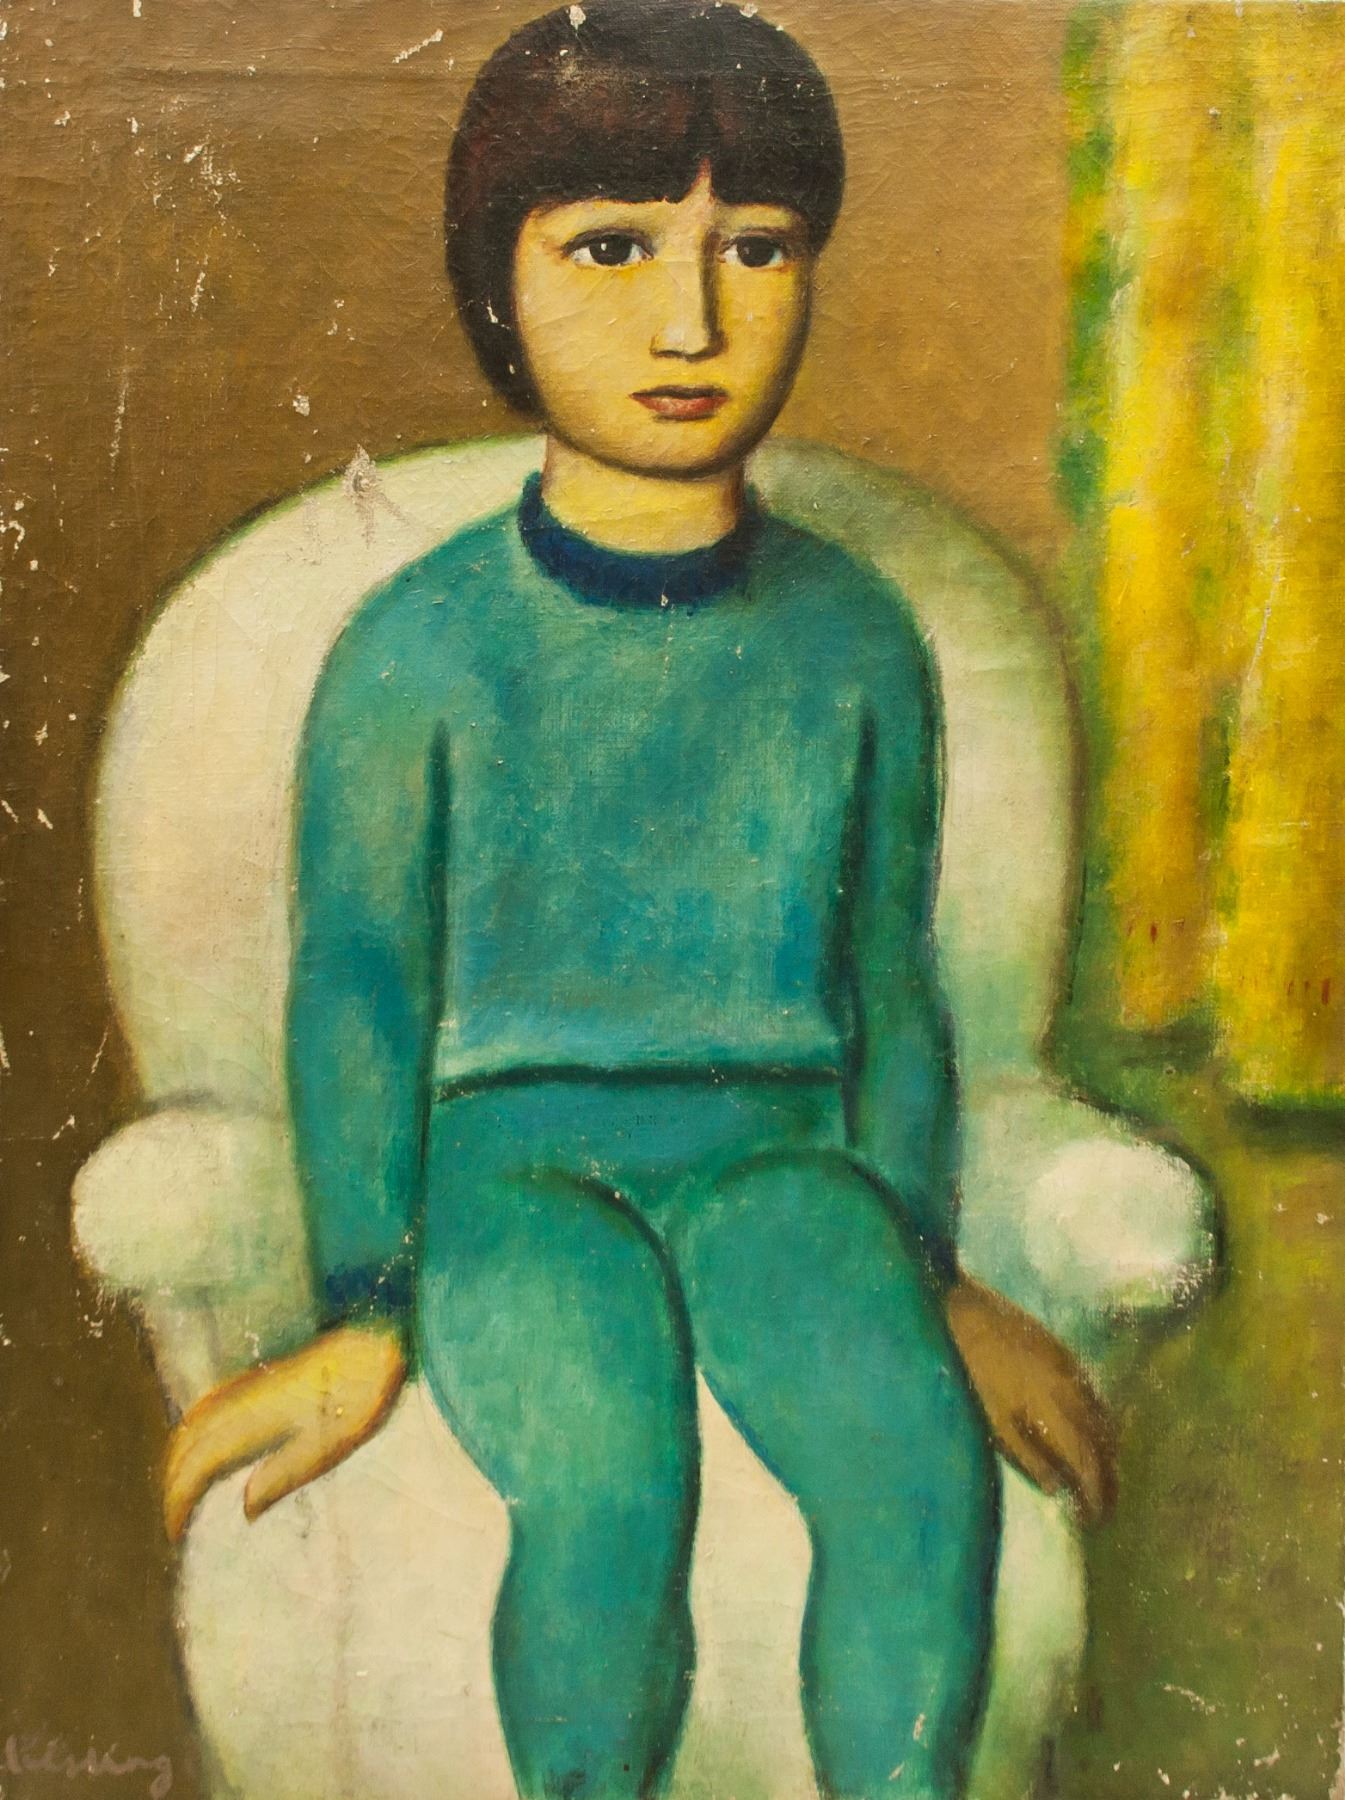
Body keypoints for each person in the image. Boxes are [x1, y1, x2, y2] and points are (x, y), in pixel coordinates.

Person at [164, 5, 1117, 1796]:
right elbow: (359, 989)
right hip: (513, 1176)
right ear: (498, 282)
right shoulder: (416, 650)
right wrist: (364, 1302)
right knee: (606, 1484)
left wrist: (934, 1277)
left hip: (782, 1164)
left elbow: (887, 982)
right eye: (609, 249)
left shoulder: (858, 639)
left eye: (753, 249)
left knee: (915, 1471)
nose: (690, 322)